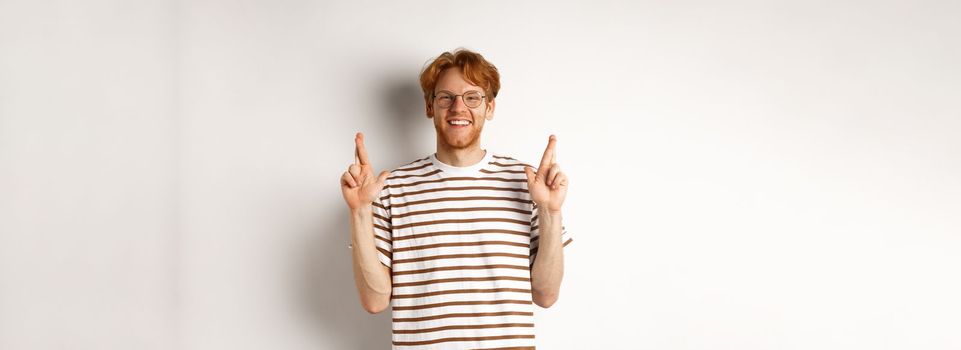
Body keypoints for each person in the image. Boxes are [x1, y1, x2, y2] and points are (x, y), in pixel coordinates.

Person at [339, 48, 572, 349]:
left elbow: (546, 295)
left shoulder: (528, 183)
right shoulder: (389, 188)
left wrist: (550, 211)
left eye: (472, 97)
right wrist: (359, 211)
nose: (458, 107)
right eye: (446, 97)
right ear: (429, 106)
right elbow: (374, 300)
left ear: (489, 107)